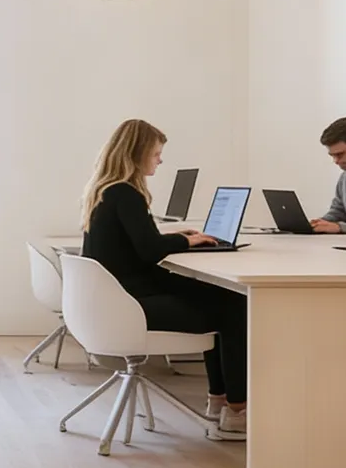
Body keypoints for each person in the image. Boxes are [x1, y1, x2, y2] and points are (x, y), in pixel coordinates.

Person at [80, 119, 248, 439]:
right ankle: (236, 411)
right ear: (138, 152)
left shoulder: (104, 191)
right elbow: (148, 250)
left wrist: (176, 236)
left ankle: (220, 401)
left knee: (220, 295)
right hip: (131, 305)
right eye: (156, 153)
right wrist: (186, 241)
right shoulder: (125, 193)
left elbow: (138, 243)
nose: (159, 159)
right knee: (234, 307)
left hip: (115, 299)